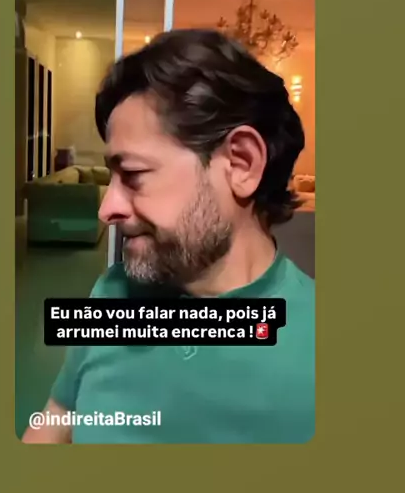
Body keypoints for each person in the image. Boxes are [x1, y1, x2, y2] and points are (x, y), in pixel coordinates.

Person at [22, 29, 315, 444]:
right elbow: (57, 417)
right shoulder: (112, 293)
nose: (108, 209)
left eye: (134, 174)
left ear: (241, 163)